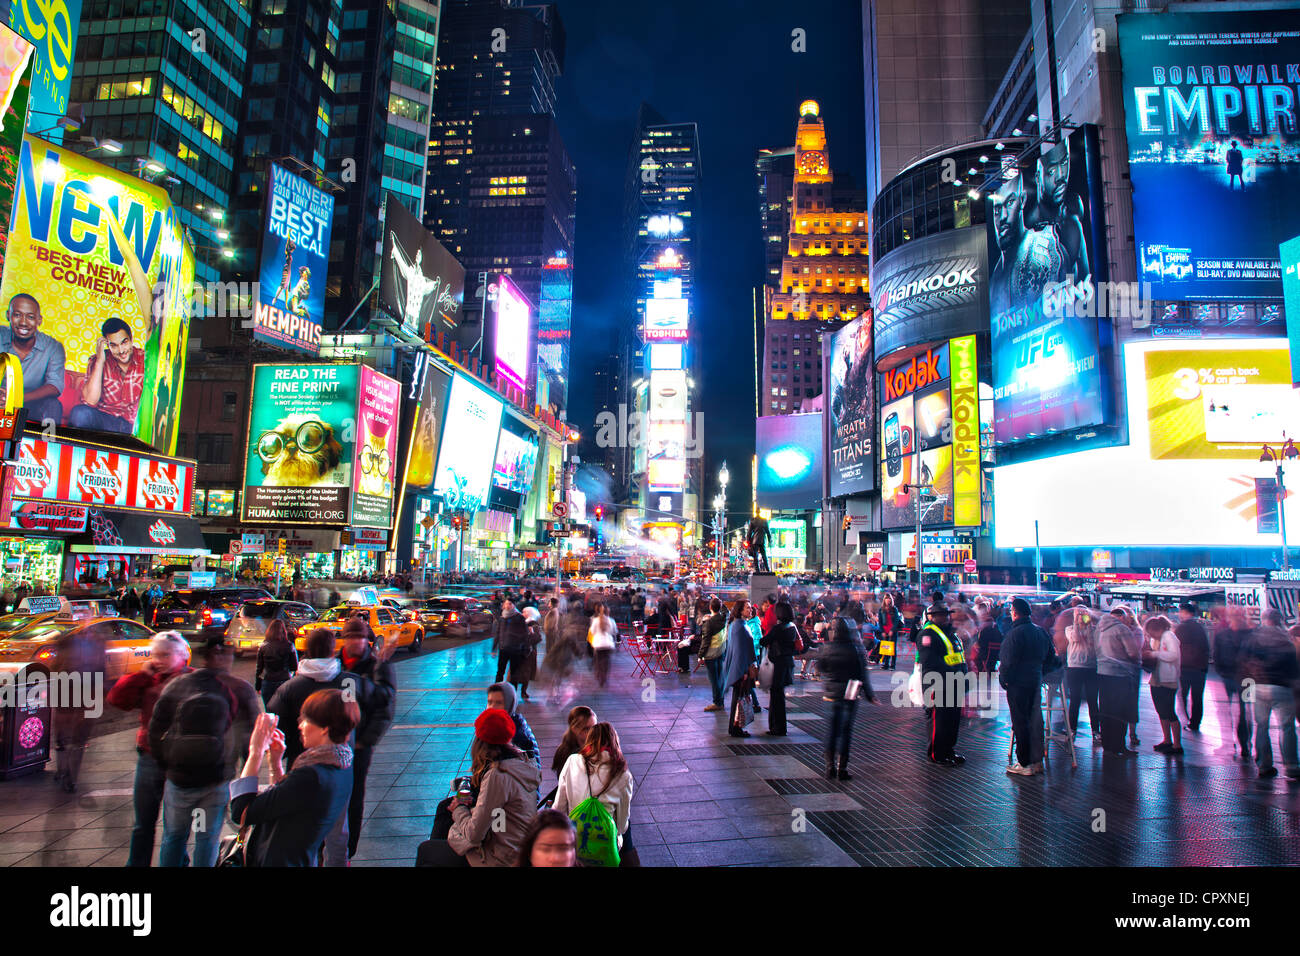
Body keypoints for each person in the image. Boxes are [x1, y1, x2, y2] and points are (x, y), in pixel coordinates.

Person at [148, 629, 260, 867]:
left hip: (180, 777)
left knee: (174, 836)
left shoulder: (179, 685)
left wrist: (166, 762)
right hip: (216, 777)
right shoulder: (239, 688)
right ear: (226, 655)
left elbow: (156, 728)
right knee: (207, 838)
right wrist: (245, 775)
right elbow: (250, 738)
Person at [227, 693, 358, 866]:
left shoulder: (312, 776)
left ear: (324, 729)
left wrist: (255, 753)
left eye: (306, 720)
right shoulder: (341, 765)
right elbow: (285, 802)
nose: (300, 725)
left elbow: (242, 812)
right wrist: (275, 763)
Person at [106, 631, 192, 866]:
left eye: (165, 655)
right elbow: (117, 699)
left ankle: (177, 862)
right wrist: (142, 675)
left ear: (182, 655)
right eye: (155, 655)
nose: (159, 660)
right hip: (150, 755)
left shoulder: (192, 679)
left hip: (181, 759)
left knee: (176, 825)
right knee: (143, 822)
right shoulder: (148, 679)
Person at [420, 709, 542, 867]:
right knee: (445, 812)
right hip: (514, 845)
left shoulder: (498, 774)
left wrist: (458, 809)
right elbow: (500, 812)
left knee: (426, 851)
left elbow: (475, 835)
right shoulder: (523, 761)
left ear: (479, 741)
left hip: (500, 858)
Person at [337, 616, 398, 859]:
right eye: (351, 637)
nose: (356, 642)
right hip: (332, 743)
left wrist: (365, 741)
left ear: (367, 640)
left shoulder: (376, 666)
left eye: (360, 637)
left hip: (359, 745)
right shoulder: (334, 665)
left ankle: (349, 848)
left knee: (354, 795)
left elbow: (385, 709)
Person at [553, 722, 637, 866]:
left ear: (589, 741)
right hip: (604, 847)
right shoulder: (623, 774)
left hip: (575, 842)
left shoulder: (572, 761)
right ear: (614, 742)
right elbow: (622, 826)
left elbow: (559, 808)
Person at [1240, 609, 1300, 779]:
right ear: (1278, 620)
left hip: (1258, 686)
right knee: (1287, 727)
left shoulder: (1252, 638)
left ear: (1264, 619)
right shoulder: (1285, 639)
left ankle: (1264, 765)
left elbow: (1244, 662)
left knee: (1261, 726)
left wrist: (1246, 689)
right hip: (1281, 687)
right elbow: (1293, 666)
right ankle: (1292, 766)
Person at [50, 620, 109, 794]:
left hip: (79, 692)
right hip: (73, 692)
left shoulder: (89, 645)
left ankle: (67, 775)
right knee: (71, 737)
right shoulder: (74, 645)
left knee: (73, 737)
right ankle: (66, 773)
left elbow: (55, 668)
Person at [819, 616, 880, 780]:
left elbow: (821, 668)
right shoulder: (856, 649)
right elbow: (862, 674)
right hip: (850, 692)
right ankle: (842, 768)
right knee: (846, 731)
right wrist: (870, 695)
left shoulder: (827, 648)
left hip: (831, 693)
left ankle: (829, 767)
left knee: (832, 731)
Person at [1000, 598, 1055, 776]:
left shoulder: (1014, 634)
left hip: (1018, 685)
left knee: (1020, 722)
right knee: (1035, 721)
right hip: (1035, 681)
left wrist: (1005, 680)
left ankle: (1025, 763)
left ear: (1015, 613)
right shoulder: (1040, 631)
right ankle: (1037, 761)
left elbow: (1008, 662)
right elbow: (1051, 658)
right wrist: (1041, 673)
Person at [69, 317, 146, 433]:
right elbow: (90, 401)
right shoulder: (97, 361)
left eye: (124, 342)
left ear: (131, 339)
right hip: (104, 420)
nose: (121, 350)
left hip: (133, 425)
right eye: (114, 345)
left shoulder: (145, 359)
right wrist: (100, 361)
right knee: (79, 413)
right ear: (107, 345)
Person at [0, 293, 65, 425]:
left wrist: (15, 399)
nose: (23, 322)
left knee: (53, 405)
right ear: (8, 315)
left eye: (30, 317)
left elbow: (55, 386)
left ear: (39, 320)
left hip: (30, 403)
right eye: (17, 315)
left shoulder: (53, 347)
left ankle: (48, 437)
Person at [917, 603, 967, 766]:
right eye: (941, 615)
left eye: (946, 614)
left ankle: (948, 750)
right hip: (937, 683)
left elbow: (959, 657)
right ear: (932, 617)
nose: (945, 617)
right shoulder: (927, 634)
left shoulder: (951, 633)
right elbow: (930, 660)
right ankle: (936, 754)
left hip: (954, 682)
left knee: (952, 720)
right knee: (939, 719)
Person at [1096, 607, 1143, 757]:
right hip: (1120, 675)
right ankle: (1119, 746)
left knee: (1106, 710)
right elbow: (1133, 653)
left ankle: (1107, 745)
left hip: (1102, 673)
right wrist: (1138, 662)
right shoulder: (1121, 629)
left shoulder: (1099, 629)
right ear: (1121, 617)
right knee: (1120, 711)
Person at [1214, 605, 1254, 758]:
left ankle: (1243, 743)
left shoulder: (1224, 634)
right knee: (1241, 711)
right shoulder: (1250, 634)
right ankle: (1242, 743)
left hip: (1242, 677)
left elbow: (1217, 654)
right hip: (1238, 676)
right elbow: (1217, 654)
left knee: (1242, 711)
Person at [759, 600, 800, 736]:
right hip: (787, 663)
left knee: (776, 697)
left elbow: (763, 641)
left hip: (778, 664)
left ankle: (778, 728)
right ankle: (778, 727)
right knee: (779, 696)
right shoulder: (792, 627)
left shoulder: (778, 628)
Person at [722, 600, 759, 738]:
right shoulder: (740, 626)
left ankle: (735, 727)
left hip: (740, 667)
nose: (750, 610)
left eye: (750, 607)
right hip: (741, 669)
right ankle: (736, 727)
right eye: (747, 608)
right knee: (739, 699)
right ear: (740, 610)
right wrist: (744, 670)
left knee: (738, 698)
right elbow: (740, 651)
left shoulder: (737, 624)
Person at [1064, 605, 1101, 744]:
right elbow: (1076, 638)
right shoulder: (1069, 629)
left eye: (1083, 614)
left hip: (1091, 667)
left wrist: (1088, 624)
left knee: (1092, 700)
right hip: (1075, 667)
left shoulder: (1094, 629)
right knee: (1075, 699)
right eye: (1078, 614)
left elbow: (1092, 641)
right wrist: (1076, 622)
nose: (1081, 616)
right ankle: (1072, 729)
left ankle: (1096, 730)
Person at [488, 681, 541, 773]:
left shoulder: (518, 734)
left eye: (499, 703)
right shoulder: (489, 727)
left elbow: (532, 772)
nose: (492, 707)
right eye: (490, 702)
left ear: (509, 704)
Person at [1175, 602, 1210, 733]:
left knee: (1182, 695)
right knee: (1197, 697)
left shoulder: (1180, 628)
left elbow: (1176, 647)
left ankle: (1185, 719)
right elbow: (1206, 647)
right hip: (1199, 668)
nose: (1179, 614)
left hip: (1185, 667)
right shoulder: (1200, 628)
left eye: (1181, 612)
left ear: (1186, 613)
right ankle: (1195, 722)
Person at [254, 619, 298, 709]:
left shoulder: (263, 646)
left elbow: (259, 668)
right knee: (284, 710)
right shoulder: (289, 646)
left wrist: (258, 686)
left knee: (269, 711)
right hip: (284, 680)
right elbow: (294, 666)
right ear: (284, 631)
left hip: (268, 681)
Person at [698, 598, 728, 711]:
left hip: (710, 654)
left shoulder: (709, 623)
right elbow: (727, 611)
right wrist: (720, 602)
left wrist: (700, 655)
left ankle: (717, 702)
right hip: (721, 651)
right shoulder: (724, 618)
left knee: (714, 680)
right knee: (720, 678)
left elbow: (705, 641)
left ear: (710, 607)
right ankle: (721, 701)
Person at [495, 598, 531, 688]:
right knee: (500, 672)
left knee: (514, 673)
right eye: (506, 603)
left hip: (515, 649)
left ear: (514, 605)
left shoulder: (519, 617)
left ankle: (513, 692)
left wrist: (525, 648)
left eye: (510, 604)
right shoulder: (502, 617)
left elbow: (525, 634)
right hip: (503, 649)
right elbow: (498, 632)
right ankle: (497, 690)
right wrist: (494, 646)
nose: (508, 605)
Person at [588, 602, 617, 687]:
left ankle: (599, 675)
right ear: (608, 612)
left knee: (598, 661)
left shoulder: (595, 620)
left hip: (598, 644)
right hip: (608, 644)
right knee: (607, 661)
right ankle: (605, 677)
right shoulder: (611, 621)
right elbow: (614, 632)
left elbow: (592, 631)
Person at [876, 593, 902, 671]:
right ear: (884, 600)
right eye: (886, 599)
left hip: (892, 631)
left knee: (893, 648)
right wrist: (882, 631)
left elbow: (896, 621)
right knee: (886, 648)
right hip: (885, 631)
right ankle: (886, 664)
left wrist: (892, 630)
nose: (888, 600)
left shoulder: (894, 609)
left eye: (889, 599)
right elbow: (880, 622)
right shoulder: (881, 610)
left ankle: (892, 665)